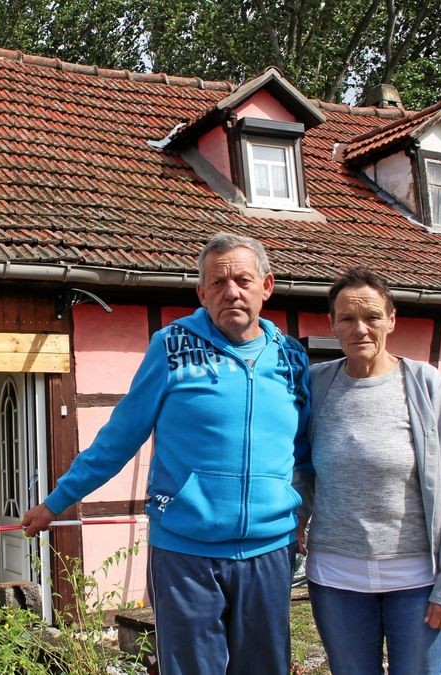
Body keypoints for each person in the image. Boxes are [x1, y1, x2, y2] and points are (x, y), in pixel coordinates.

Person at [21, 232, 310, 674]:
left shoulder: (292, 358)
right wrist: (56, 502)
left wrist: (308, 515)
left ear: (266, 286)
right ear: (201, 293)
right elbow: (119, 437)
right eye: (217, 283)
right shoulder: (171, 348)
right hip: (184, 548)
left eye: (243, 280)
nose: (231, 292)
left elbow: (306, 450)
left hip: (270, 548)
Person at [293, 267, 441, 675]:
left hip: (417, 578)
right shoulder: (317, 384)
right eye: (347, 318)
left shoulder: (424, 385)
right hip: (336, 578)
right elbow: (301, 466)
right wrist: (296, 515)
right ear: (332, 325)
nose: (361, 328)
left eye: (372, 317)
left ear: (391, 319)